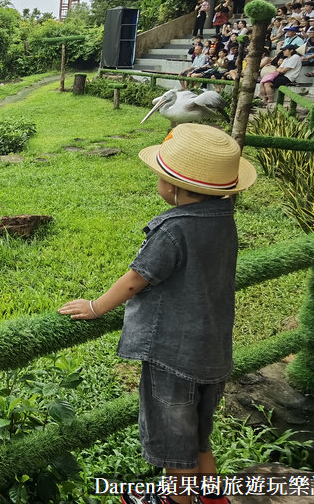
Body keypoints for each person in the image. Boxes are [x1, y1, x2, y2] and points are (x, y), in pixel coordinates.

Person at [58, 123, 256, 504]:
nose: (159, 182)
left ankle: (172, 500)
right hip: (213, 351)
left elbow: (137, 279)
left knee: (173, 443)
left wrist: (96, 306)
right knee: (199, 435)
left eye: (161, 177)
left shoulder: (173, 229)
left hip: (173, 354)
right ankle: (214, 498)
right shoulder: (224, 219)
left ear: (176, 188)